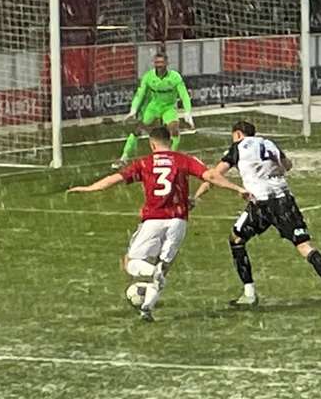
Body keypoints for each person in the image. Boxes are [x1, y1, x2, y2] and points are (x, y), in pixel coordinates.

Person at [67, 124, 246, 320]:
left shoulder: (144, 163)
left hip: (154, 218)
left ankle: (153, 273)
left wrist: (90, 188)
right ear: (170, 142)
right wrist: (237, 189)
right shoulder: (183, 160)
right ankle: (147, 308)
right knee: (164, 266)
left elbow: (114, 179)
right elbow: (211, 176)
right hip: (178, 221)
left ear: (152, 145)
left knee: (130, 263)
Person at [201, 120, 321, 319]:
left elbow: (214, 175)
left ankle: (249, 293)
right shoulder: (268, 143)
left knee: (236, 239)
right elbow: (288, 165)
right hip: (285, 200)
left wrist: (199, 195)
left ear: (238, 134)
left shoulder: (238, 147)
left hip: (262, 204)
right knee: (305, 246)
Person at [121, 52, 193, 161]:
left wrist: (187, 112)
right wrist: (133, 109)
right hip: (153, 107)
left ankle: (170, 157)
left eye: (161, 62)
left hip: (168, 107)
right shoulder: (148, 76)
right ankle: (124, 157)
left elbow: (184, 95)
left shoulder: (175, 77)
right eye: (156, 62)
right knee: (138, 129)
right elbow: (140, 94)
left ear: (167, 63)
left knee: (174, 129)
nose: (159, 65)